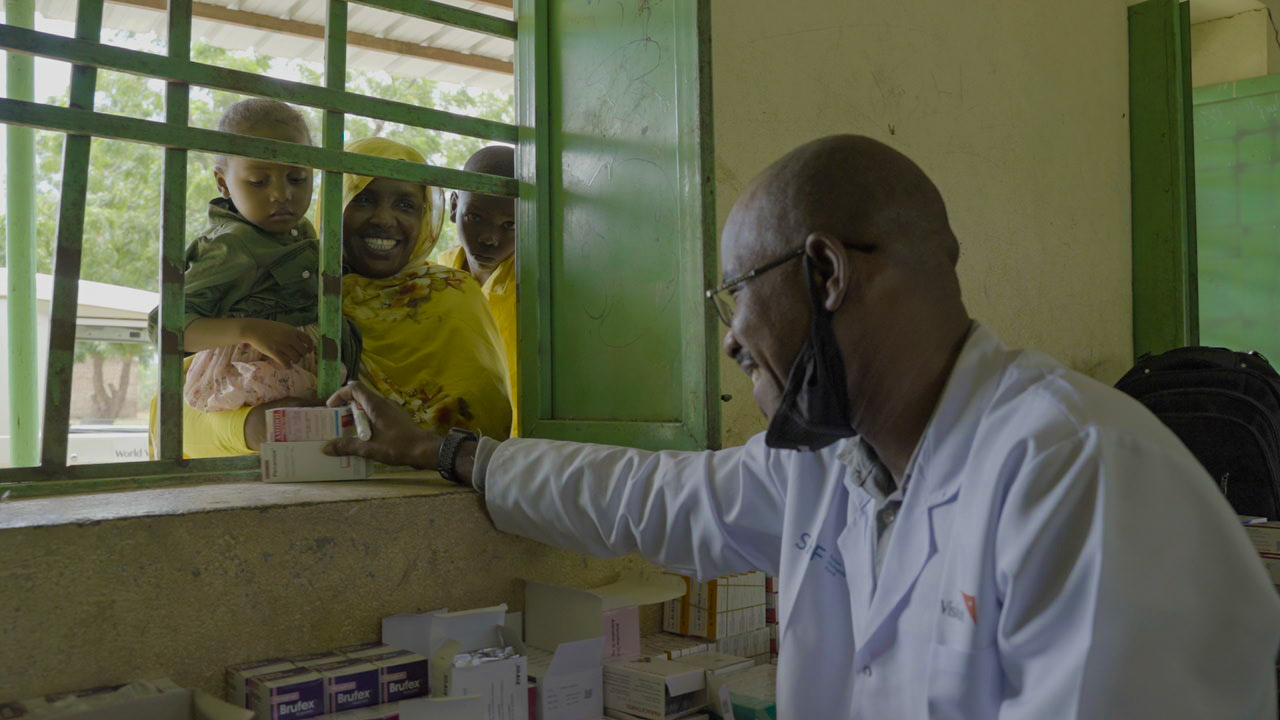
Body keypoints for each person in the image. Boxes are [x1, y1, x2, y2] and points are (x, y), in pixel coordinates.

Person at [322, 135, 1280, 717]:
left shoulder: (1080, 476)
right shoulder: (835, 462)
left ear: (825, 275)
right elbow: (652, 497)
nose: (734, 342)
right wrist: (447, 450)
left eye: (734, 298)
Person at [165, 137, 511, 457]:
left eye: (406, 204)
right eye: (363, 199)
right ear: (334, 204)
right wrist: (251, 427)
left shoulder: (452, 295)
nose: (384, 219)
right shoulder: (285, 289)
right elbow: (172, 413)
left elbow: (486, 429)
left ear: (426, 217)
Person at [150, 98, 360, 413]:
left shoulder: (301, 229)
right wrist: (248, 330)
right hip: (255, 387)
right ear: (223, 183)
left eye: (297, 178)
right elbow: (165, 325)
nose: (282, 194)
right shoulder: (229, 246)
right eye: (259, 181)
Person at [439, 146, 518, 433]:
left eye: (510, 224)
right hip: (454, 439)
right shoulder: (439, 273)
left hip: (524, 445)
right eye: (475, 217)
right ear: (454, 206)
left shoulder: (537, 283)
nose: (490, 238)